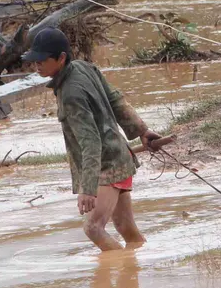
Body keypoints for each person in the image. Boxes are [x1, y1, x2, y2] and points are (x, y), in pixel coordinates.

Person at [22, 28, 161, 251]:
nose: (36, 65)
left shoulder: (70, 93)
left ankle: (122, 270)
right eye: (34, 60)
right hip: (119, 156)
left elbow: (90, 141)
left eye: (42, 60)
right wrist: (142, 131)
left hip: (107, 166)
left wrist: (88, 189)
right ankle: (134, 275)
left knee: (93, 228)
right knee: (126, 227)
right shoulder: (83, 67)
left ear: (61, 58)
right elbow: (115, 99)